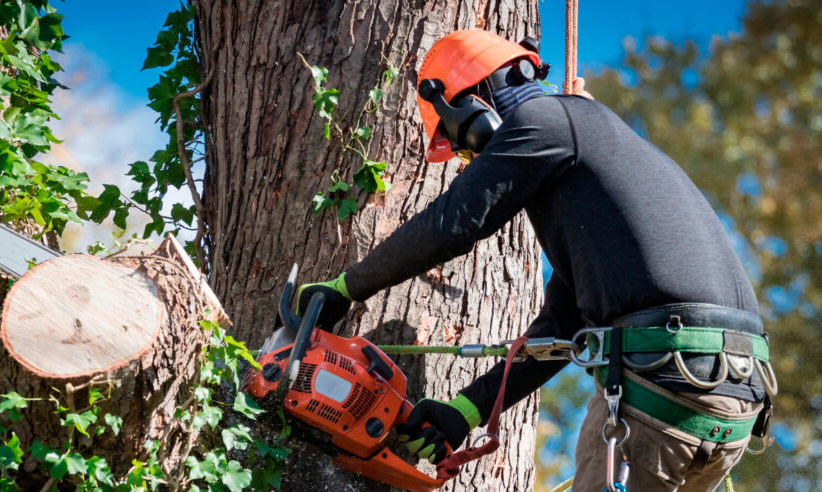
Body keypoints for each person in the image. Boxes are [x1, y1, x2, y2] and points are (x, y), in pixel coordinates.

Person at [295, 29, 773, 491]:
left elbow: (452, 224)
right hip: (732, 400)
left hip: (662, 390)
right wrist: (464, 412)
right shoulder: (596, 166)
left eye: (460, 144)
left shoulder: (543, 121)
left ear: (469, 109)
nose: (468, 159)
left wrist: (344, 289)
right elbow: (563, 326)